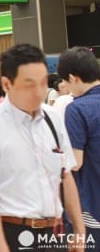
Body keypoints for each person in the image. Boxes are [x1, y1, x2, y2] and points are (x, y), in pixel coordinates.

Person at [0, 44, 87, 252]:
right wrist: (0, 247)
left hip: (53, 234)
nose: (39, 92)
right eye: (29, 85)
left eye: (43, 83)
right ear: (7, 84)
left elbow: (66, 175)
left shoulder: (52, 118)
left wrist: (80, 231)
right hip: (11, 233)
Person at [58, 46, 100, 247]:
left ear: (73, 78)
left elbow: (75, 162)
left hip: (91, 204)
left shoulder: (76, 109)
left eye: (65, 81)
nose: (65, 86)